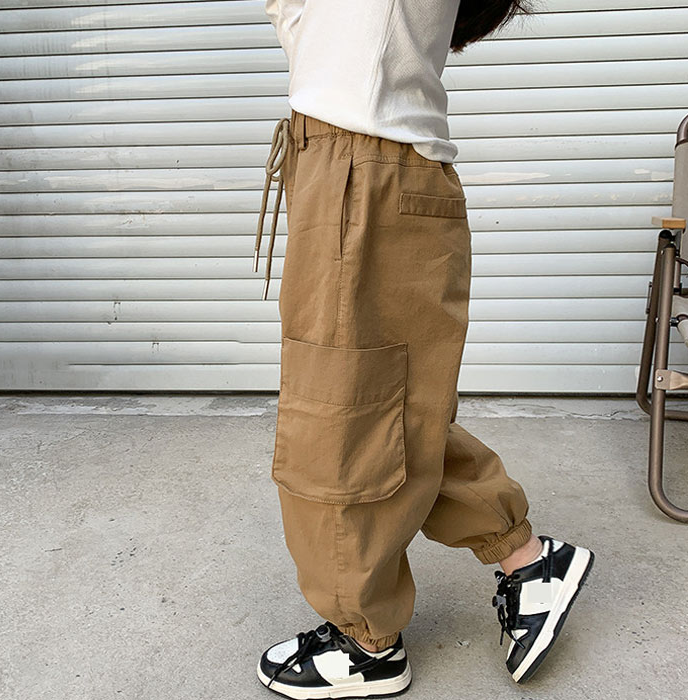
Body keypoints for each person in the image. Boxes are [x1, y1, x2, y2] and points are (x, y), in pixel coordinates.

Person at [252, 1, 595, 697]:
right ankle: (529, 562)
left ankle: (366, 644)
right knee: (395, 408)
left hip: (362, 173)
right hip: (354, 167)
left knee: (344, 417)